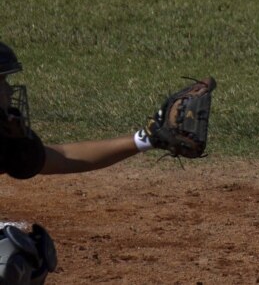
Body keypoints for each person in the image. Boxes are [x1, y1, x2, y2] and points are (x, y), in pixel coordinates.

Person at [1, 40, 214, 284]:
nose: (9, 91)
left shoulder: (5, 135)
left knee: (31, 258)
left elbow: (64, 158)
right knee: (9, 258)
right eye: (1, 82)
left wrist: (147, 139)